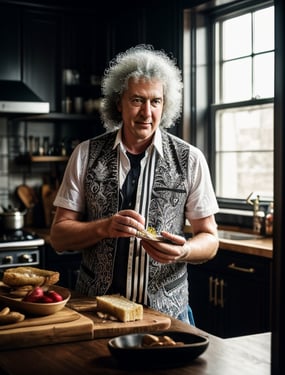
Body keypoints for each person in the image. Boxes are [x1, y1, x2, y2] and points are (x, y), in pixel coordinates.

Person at [50, 44, 219, 325]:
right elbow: (58, 236)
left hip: (168, 315)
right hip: (95, 312)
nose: (146, 113)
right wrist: (103, 227)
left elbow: (210, 239)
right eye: (137, 100)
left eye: (155, 102)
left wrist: (184, 251)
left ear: (165, 105)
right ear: (119, 102)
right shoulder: (85, 154)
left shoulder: (190, 159)